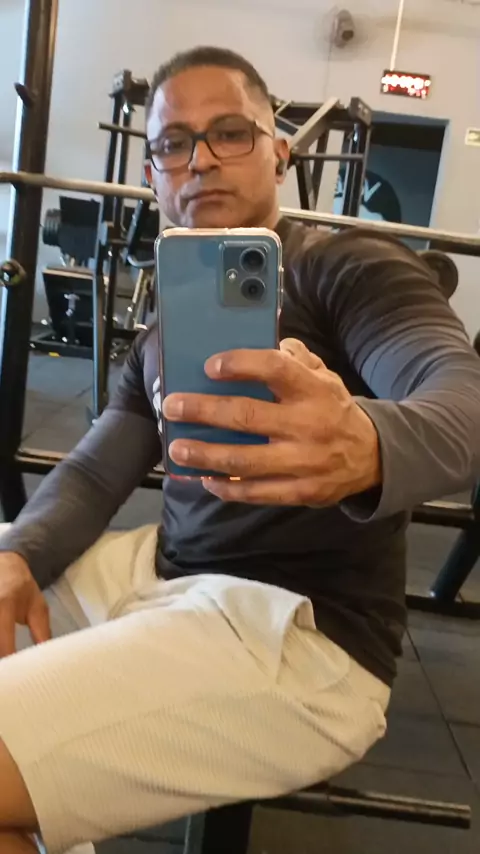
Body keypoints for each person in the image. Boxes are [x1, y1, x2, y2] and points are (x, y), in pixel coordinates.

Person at [0, 45, 480, 854]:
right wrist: (20, 554)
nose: (200, 160)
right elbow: (93, 472)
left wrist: (370, 442)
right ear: (152, 174)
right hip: (164, 578)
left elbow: (461, 396)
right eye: (174, 143)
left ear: (279, 152)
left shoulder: (348, 268)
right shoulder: (164, 331)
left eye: (229, 133)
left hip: (301, 636)